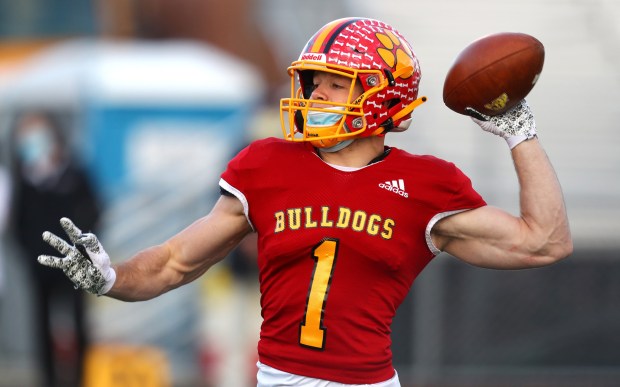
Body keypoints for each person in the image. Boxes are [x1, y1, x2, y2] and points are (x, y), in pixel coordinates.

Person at [36, 18, 572, 386]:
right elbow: (176, 261)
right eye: (312, 81)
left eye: (332, 85)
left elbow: (544, 241)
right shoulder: (267, 165)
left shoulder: (425, 185)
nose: (313, 94)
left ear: (379, 95)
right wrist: (110, 277)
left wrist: (517, 131)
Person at [10, 110, 102, 387]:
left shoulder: (74, 173)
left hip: (76, 264)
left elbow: (94, 211)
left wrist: (84, 250)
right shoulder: (25, 179)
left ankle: (80, 379)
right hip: (41, 267)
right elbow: (18, 222)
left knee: (78, 322)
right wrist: (30, 253)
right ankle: (48, 379)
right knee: (42, 324)